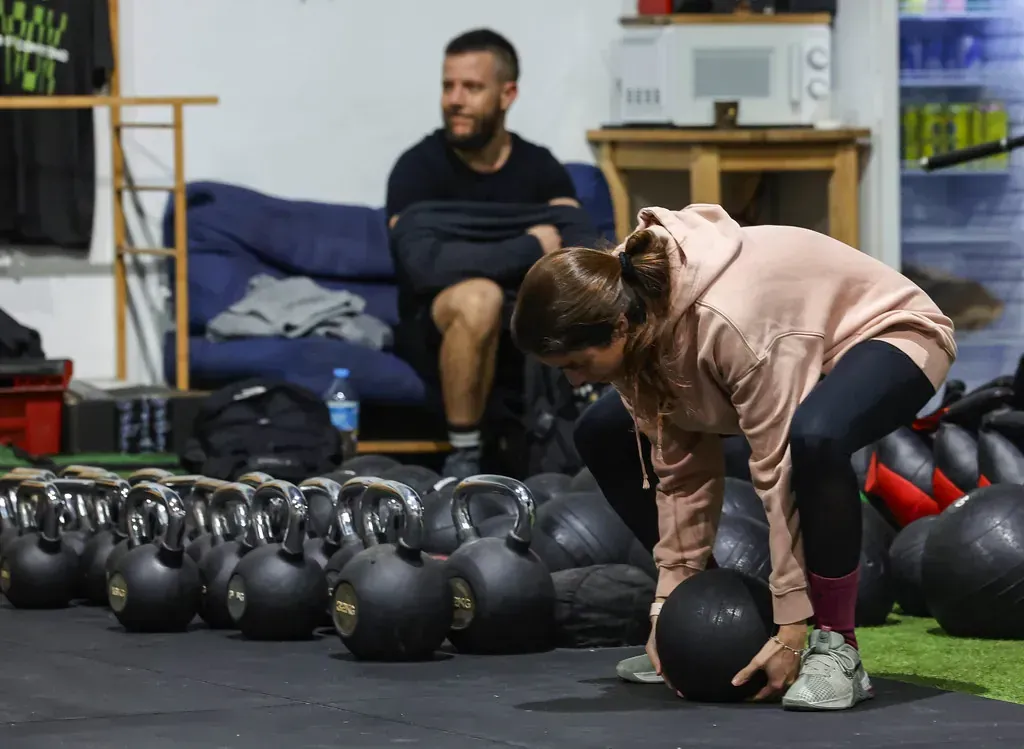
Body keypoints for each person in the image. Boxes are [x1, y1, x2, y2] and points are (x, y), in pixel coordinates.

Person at [510, 204, 956, 711]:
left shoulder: (731, 321)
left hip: (889, 332)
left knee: (815, 438)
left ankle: (837, 647)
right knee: (602, 430)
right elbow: (681, 474)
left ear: (616, 328)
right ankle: (716, 611)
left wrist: (792, 627)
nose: (573, 381)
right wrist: (674, 610)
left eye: (576, 363)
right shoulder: (628, 308)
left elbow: (777, 467)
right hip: (775, 349)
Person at [386, 28, 586, 479]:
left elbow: (579, 246)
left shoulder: (541, 167)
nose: (455, 99)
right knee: (479, 297)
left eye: (471, 87)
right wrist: (528, 245)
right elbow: (424, 267)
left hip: (524, 321)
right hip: (435, 323)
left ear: (506, 94)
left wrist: (458, 244)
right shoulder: (417, 169)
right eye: (447, 85)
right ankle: (464, 455)